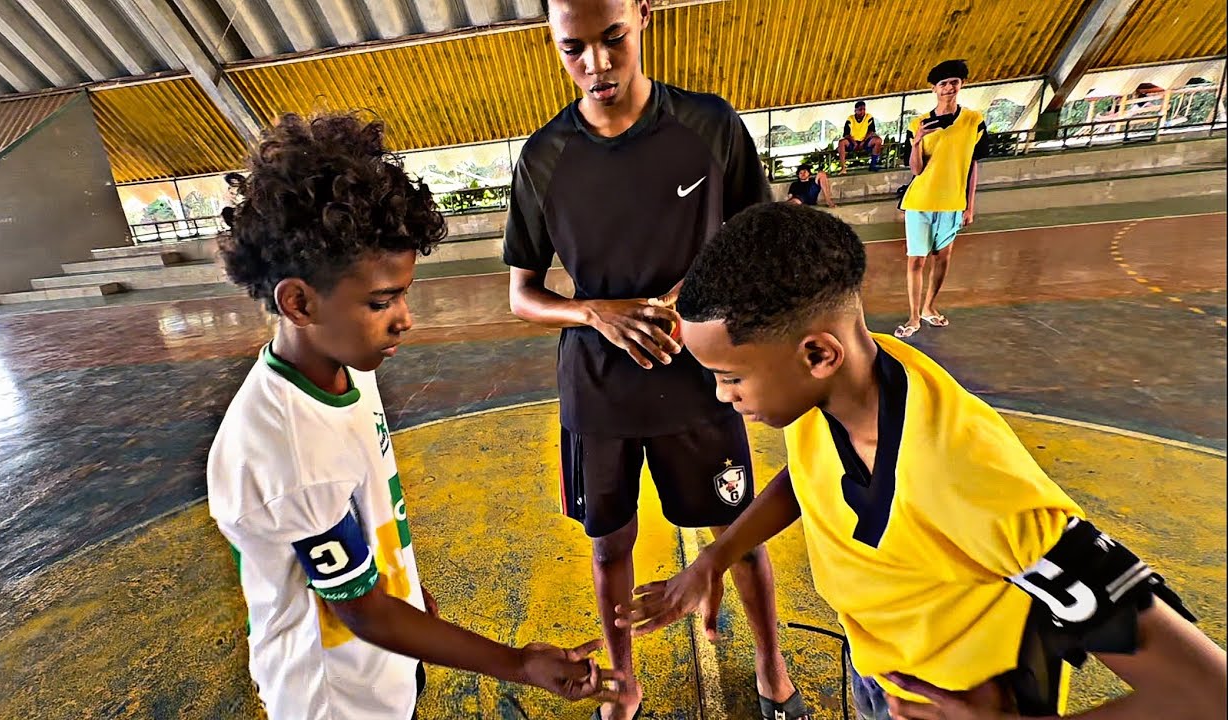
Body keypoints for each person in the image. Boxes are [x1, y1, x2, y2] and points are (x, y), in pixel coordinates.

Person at [617, 202, 1227, 720]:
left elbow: (1205, 691)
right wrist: (716, 557)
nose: (722, 397)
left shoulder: (971, 478)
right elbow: (811, 477)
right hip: (881, 671)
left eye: (729, 378)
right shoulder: (839, 388)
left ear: (818, 353)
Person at [207, 112, 620, 720]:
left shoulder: (348, 367)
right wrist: (516, 663)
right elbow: (362, 609)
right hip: (334, 700)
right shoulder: (288, 450)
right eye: (381, 301)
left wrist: (415, 600)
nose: (405, 318)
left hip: (384, 666)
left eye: (403, 293)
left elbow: (370, 542)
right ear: (298, 302)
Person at [504, 1, 805, 718]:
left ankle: (770, 663)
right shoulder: (545, 156)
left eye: (613, 40)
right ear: (553, 41)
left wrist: (689, 295)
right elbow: (521, 293)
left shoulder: (709, 126)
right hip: (598, 391)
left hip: (703, 382)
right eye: (573, 49)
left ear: (642, 15)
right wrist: (591, 310)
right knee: (610, 549)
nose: (597, 65)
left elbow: (753, 238)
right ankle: (625, 679)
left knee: (734, 537)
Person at [894, 59, 989, 339]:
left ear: (962, 85)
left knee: (942, 258)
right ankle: (913, 316)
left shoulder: (974, 121)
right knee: (916, 261)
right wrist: (917, 141)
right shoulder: (919, 123)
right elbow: (916, 169)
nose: (949, 87)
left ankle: (928, 307)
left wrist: (969, 205)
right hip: (920, 201)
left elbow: (973, 164)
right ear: (934, 89)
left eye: (954, 82)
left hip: (952, 202)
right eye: (943, 83)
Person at [837, 101, 884, 174]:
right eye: (860, 110)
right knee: (841, 142)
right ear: (855, 111)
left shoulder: (869, 117)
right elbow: (846, 134)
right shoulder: (850, 119)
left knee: (878, 140)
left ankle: (873, 165)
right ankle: (843, 168)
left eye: (864, 109)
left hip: (865, 142)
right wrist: (854, 142)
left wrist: (864, 141)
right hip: (852, 142)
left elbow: (871, 131)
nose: (862, 111)